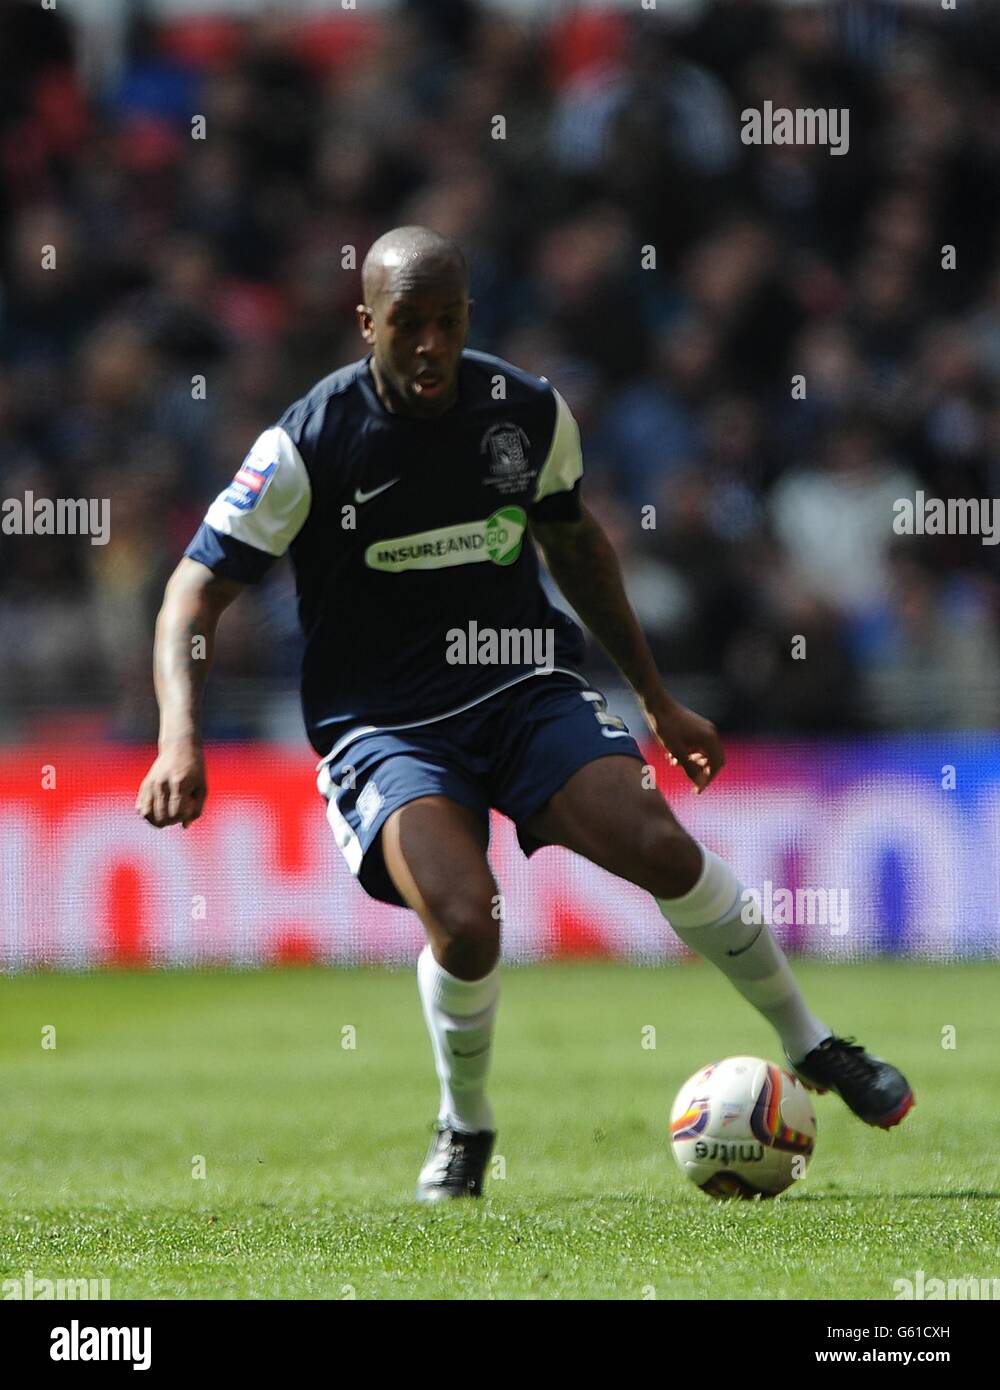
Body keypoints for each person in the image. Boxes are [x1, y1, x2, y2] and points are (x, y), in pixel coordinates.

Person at [136, 226, 913, 1202]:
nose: (429, 345)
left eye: (446, 322)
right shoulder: (308, 442)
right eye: (406, 324)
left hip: (522, 684)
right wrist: (179, 736)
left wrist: (660, 700)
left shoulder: (526, 412)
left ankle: (814, 1044)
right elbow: (191, 592)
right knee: (466, 921)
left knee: (661, 846)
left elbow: (575, 545)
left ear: (467, 317)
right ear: (365, 321)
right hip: (385, 723)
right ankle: (465, 1123)